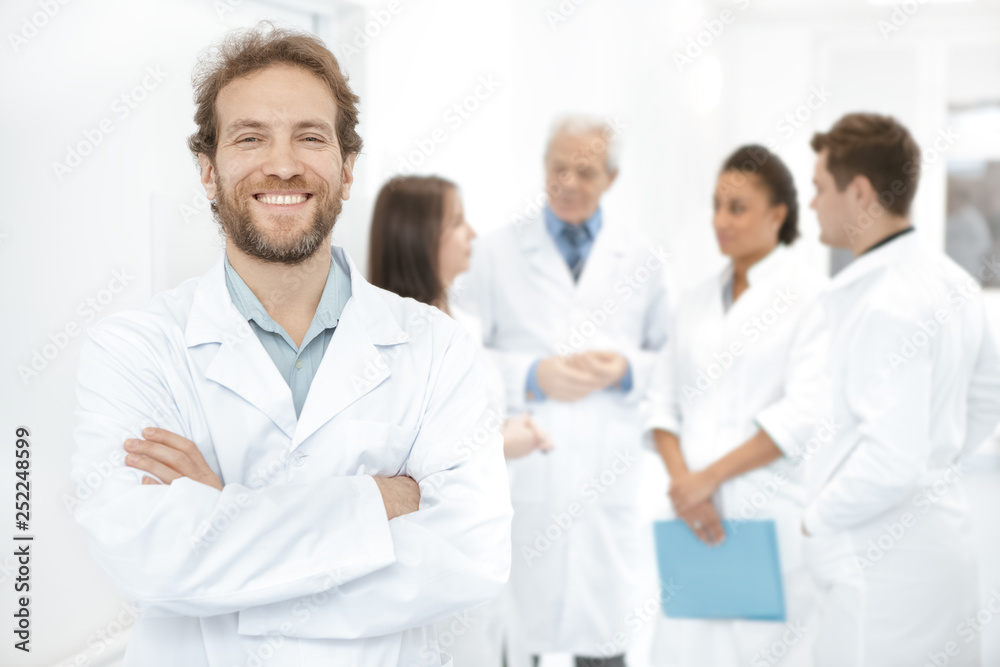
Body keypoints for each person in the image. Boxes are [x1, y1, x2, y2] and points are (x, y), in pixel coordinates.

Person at [69, 23, 512, 667]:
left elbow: (470, 558)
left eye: (310, 137)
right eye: (250, 138)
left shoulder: (437, 347)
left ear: (347, 168)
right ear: (208, 171)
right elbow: (148, 560)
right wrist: (381, 500)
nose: (282, 164)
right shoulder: (134, 351)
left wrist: (221, 518)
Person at [456, 115, 672, 666]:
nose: (568, 183)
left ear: (612, 178)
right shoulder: (495, 253)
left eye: (586, 172)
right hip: (527, 470)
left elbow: (672, 364)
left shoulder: (641, 260)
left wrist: (626, 369)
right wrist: (532, 375)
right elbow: (461, 354)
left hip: (606, 472)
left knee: (603, 642)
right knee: (515, 639)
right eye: (558, 169)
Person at [805, 112, 1000, 667]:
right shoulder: (952, 280)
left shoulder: (886, 302)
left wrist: (815, 517)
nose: (812, 202)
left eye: (820, 187)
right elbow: (989, 396)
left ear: (859, 191)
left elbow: (892, 461)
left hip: (883, 568)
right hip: (937, 545)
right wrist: (938, 458)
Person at [645, 145, 827, 666]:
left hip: (767, 512)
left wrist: (708, 479)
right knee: (684, 651)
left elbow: (803, 413)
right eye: (716, 206)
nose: (720, 221)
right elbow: (661, 405)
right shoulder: (695, 300)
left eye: (738, 208)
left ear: (777, 215)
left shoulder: (811, 296)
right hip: (691, 516)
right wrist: (687, 487)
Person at [368, 174, 554, 665]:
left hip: (487, 550)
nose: (472, 233)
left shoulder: (460, 320)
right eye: (456, 222)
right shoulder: (393, 340)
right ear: (417, 237)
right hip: (437, 561)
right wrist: (503, 444)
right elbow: (407, 469)